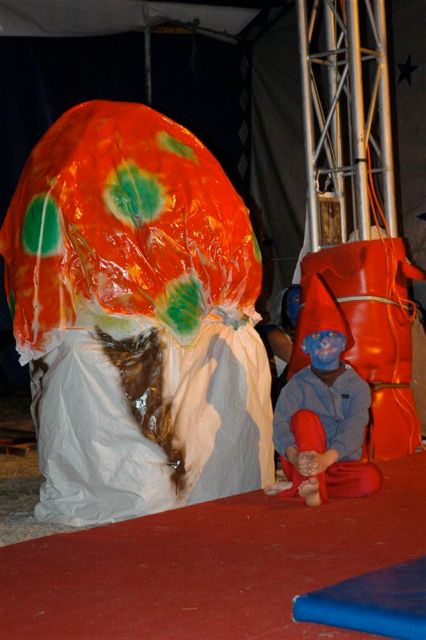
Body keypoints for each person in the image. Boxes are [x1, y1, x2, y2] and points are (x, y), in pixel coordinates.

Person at [272, 274, 382, 506]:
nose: (324, 342)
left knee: (370, 479)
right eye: (316, 337)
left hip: (336, 462)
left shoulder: (357, 386)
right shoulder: (296, 385)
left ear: (343, 343)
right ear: (304, 346)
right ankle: (311, 486)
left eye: (332, 336)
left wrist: (326, 460)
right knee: (304, 418)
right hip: (301, 461)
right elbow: (280, 424)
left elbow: (354, 429)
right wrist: (294, 456)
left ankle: (311, 486)